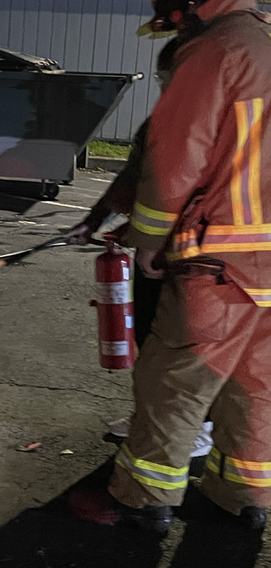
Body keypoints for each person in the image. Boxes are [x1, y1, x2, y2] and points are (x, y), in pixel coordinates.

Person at [70, 0, 271, 535]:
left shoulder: (214, 53)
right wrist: (107, 210)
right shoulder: (263, 43)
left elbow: (173, 160)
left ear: (188, 6)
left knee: (173, 382)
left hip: (221, 260)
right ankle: (245, 496)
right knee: (255, 382)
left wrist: (147, 241)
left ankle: (140, 501)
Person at [66, 37, 214, 458]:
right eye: (165, 80)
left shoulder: (229, 123)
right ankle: (151, 415)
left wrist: (149, 238)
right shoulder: (160, 124)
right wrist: (93, 221)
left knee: (192, 347)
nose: (168, 90)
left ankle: (201, 427)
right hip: (159, 257)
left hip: (212, 257)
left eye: (176, 79)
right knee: (149, 337)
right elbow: (134, 179)